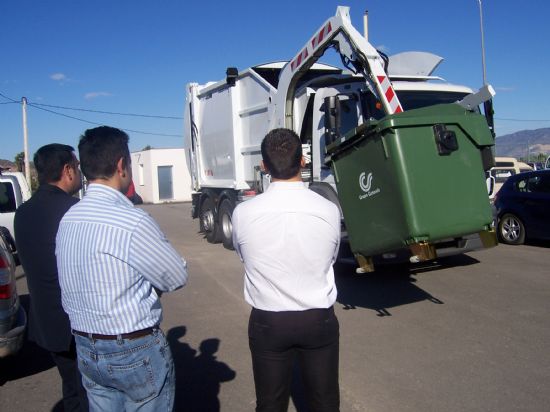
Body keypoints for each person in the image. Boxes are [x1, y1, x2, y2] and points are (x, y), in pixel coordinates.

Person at [55, 126, 188, 412]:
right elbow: (176, 276)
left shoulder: (69, 219)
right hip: (133, 348)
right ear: (121, 165)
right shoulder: (131, 220)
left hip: (86, 345)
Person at [232, 128, 341, 412]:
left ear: (264, 166)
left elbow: (243, 255)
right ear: (302, 161)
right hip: (318, 319)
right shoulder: (329, 209)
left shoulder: (243, 213)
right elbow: (331, 258)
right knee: (325, 402)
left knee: (270, 404)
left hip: (269, 322)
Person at [14, 143, 88, 412]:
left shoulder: (23, 213)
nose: (80, 173)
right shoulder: (75, 211)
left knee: (71, 388)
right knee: (91, 393)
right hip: (78, 323)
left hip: (46, 323)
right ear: (67, 170)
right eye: (77, 167)